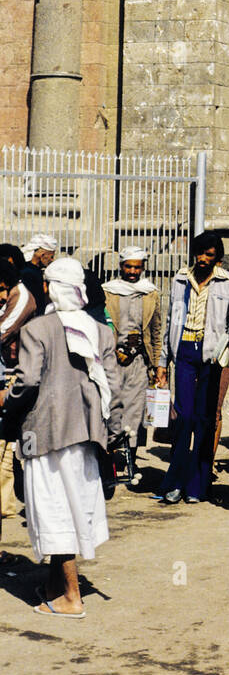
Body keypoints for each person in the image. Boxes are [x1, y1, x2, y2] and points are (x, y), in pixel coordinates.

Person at [0, 256, 122, 617]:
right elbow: (113, 386)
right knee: (72, 508)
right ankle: (55, 586)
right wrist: (113, 431)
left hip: (47, 433)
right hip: (87, 435)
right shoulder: (100, 330)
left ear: (51, 288)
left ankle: (71, 598)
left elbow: (27, 382)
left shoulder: (38, 330)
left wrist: (8, 416)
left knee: (54, 512)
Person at [155, 231, 229, 506]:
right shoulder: (180, 279)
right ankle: (175, 481)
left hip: (212, 357)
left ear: (217, 257)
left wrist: (225, 354)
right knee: (184, 417)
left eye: (210, 255)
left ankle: (198, 484)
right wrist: (162, 363)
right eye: (200, 253)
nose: (203, 260)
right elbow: (171, 320)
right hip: (184, 353)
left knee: (205, 419)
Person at [102, 246, 162, 488]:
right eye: (129, 266)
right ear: (121, 267)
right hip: (112, 360)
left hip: (138, 362)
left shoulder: (150, 294)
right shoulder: (109, 292)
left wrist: (158, 364)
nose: (133, 272)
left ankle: (131, 462)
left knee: (135, 413)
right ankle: (111, 463)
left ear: (143, 268)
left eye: (137, 267)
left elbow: (156, 331)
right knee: (111, 409)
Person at [0, 258, 33, 554]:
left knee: (9, 445)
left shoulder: (21, 297)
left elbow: (4, 330)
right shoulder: (9, 296)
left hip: (15, 378)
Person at [18, 234, 57, 306]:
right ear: (42, 255)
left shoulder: (34, 270)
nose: (52, 260)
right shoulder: (28, 273)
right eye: (51, 256)